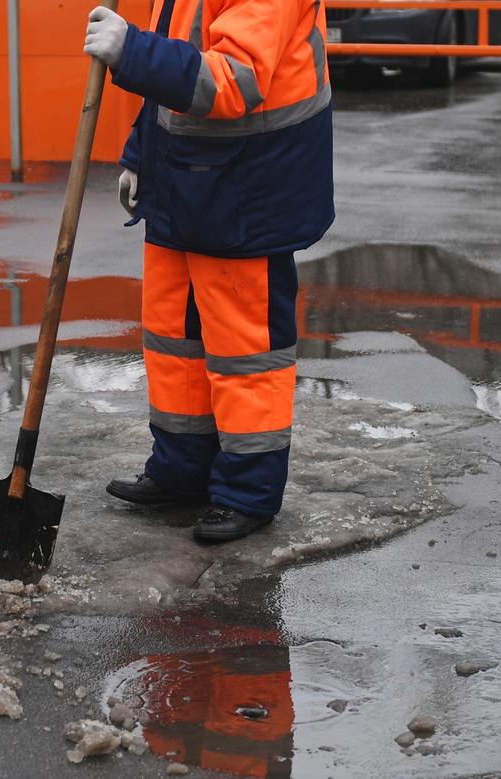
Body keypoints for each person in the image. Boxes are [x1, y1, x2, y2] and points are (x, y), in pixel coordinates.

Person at [83, 0, 334, 542]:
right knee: (176, 338)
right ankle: (182, 470)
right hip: (182, 180)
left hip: (248, 190)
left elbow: (233, 82)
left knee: (246, 353)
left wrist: (132, 49)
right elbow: (171, 81)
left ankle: (248, 494)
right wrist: (137, 155)